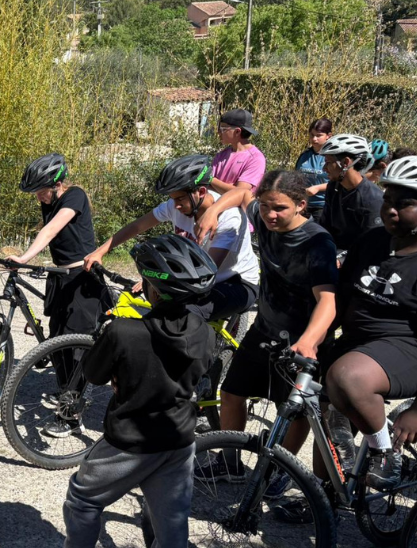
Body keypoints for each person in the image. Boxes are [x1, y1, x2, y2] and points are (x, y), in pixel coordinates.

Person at [26, 235, 218, 548]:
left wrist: (110, 339)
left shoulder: (124, 332)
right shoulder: (207, 335)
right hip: (178, 441)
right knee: (172, 530)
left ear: (154, 291)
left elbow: (93, 375)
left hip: (129, 440)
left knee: (83, 498)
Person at [193, 171, 338, 489]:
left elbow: (328, 300)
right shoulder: (260, 210)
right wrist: (214, 211)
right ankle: (229, 463)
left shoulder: (317, 242)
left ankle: (277, 469)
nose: (270, 215)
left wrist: (310, 341)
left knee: (293, 412)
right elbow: (242, 194)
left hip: (302, 339)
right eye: (266, 206)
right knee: (231, 393)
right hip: (264, 329)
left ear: (301, 205)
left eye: (280, 208)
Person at [324, 155, 417, 491]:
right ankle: (328, 492)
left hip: (406, 349)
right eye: (388, 200)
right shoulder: (372, 241)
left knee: (347, 377)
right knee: (321, 403)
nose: (390, 209)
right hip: (357, 342)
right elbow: (341, 297)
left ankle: (386, 453)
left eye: (403, 204)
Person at [85, 154, 259, 323]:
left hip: (235, 283)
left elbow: (205, 276)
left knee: (180, 318)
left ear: (201, 191)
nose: (175, 205)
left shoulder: (230, 218)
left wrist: (159, 280)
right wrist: (100, 251)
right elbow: (137, 226)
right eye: (172, 199)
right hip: (201, 276)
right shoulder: (178, 206)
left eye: (180, 198)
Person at [8, 154, 111, 436]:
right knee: (56, 343)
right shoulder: (49, 201)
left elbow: (50, 231)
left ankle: (70, 415)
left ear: (57, 184)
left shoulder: (74, 196)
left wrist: (25, 257)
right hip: (60, 277)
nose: (39, 197)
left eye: (41, 191)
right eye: (36, 193)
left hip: (82, 279)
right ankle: (66, 392)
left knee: (75, 349)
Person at [317, 133, 384, 252]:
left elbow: (372, 244)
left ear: (346, 162)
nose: (324, 168)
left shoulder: (372, 199)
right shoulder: (333, 187)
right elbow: (325, 226)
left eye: (328, 162)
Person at [209, 109, 267, 195]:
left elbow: (239, 193)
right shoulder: (221, 155)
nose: (218, 132)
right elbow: (208, 186)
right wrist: (229, 187)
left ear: (237, 132)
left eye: (222, 129)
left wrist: (211, 180)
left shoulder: (255, 158)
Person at [296, 118, 333, 218]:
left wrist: (318, 188)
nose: (314, 139)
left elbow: (340, 182)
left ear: (328, 136)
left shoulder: (332, 157)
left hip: (324, 207)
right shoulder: (304, 155)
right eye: (312, 135)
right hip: (303, 206)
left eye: (319, 135)